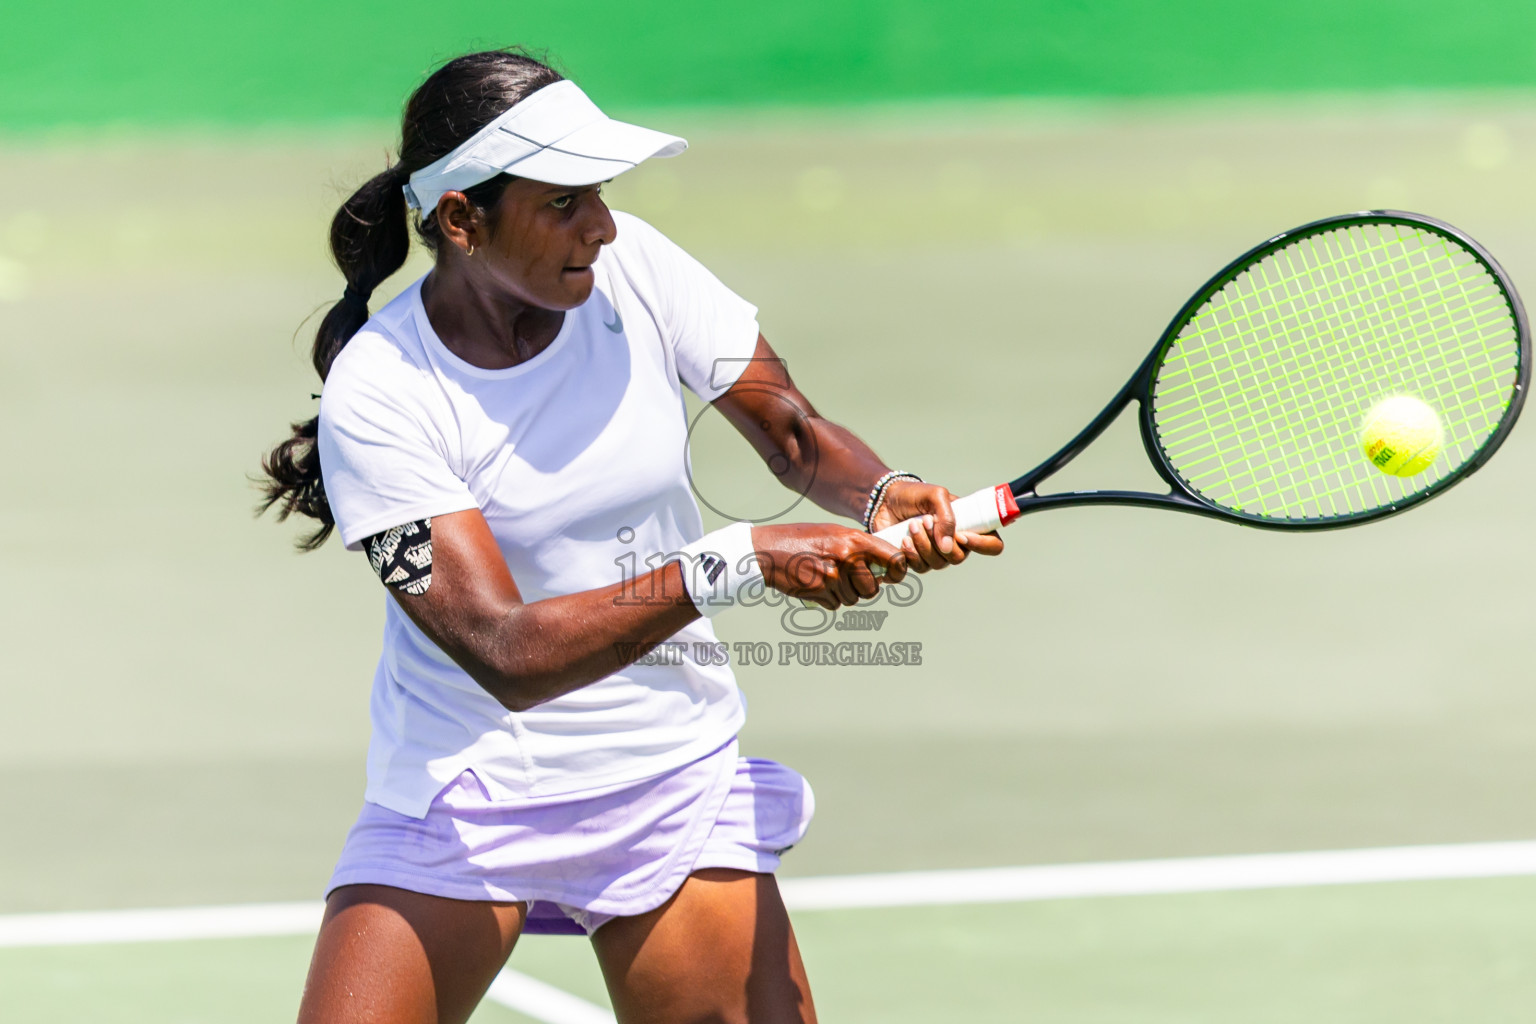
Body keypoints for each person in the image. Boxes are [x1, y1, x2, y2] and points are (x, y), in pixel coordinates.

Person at [259, 48, 1002, 1024]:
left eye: (599, 193)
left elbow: (793, 432)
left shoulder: (634, 268)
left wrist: (884, 493)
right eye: (563, 202)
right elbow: (506, 650)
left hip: (665, 775)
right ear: (459, 221)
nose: (603, 226)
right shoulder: (385, 392)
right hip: (469, 786)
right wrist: (737, 561)